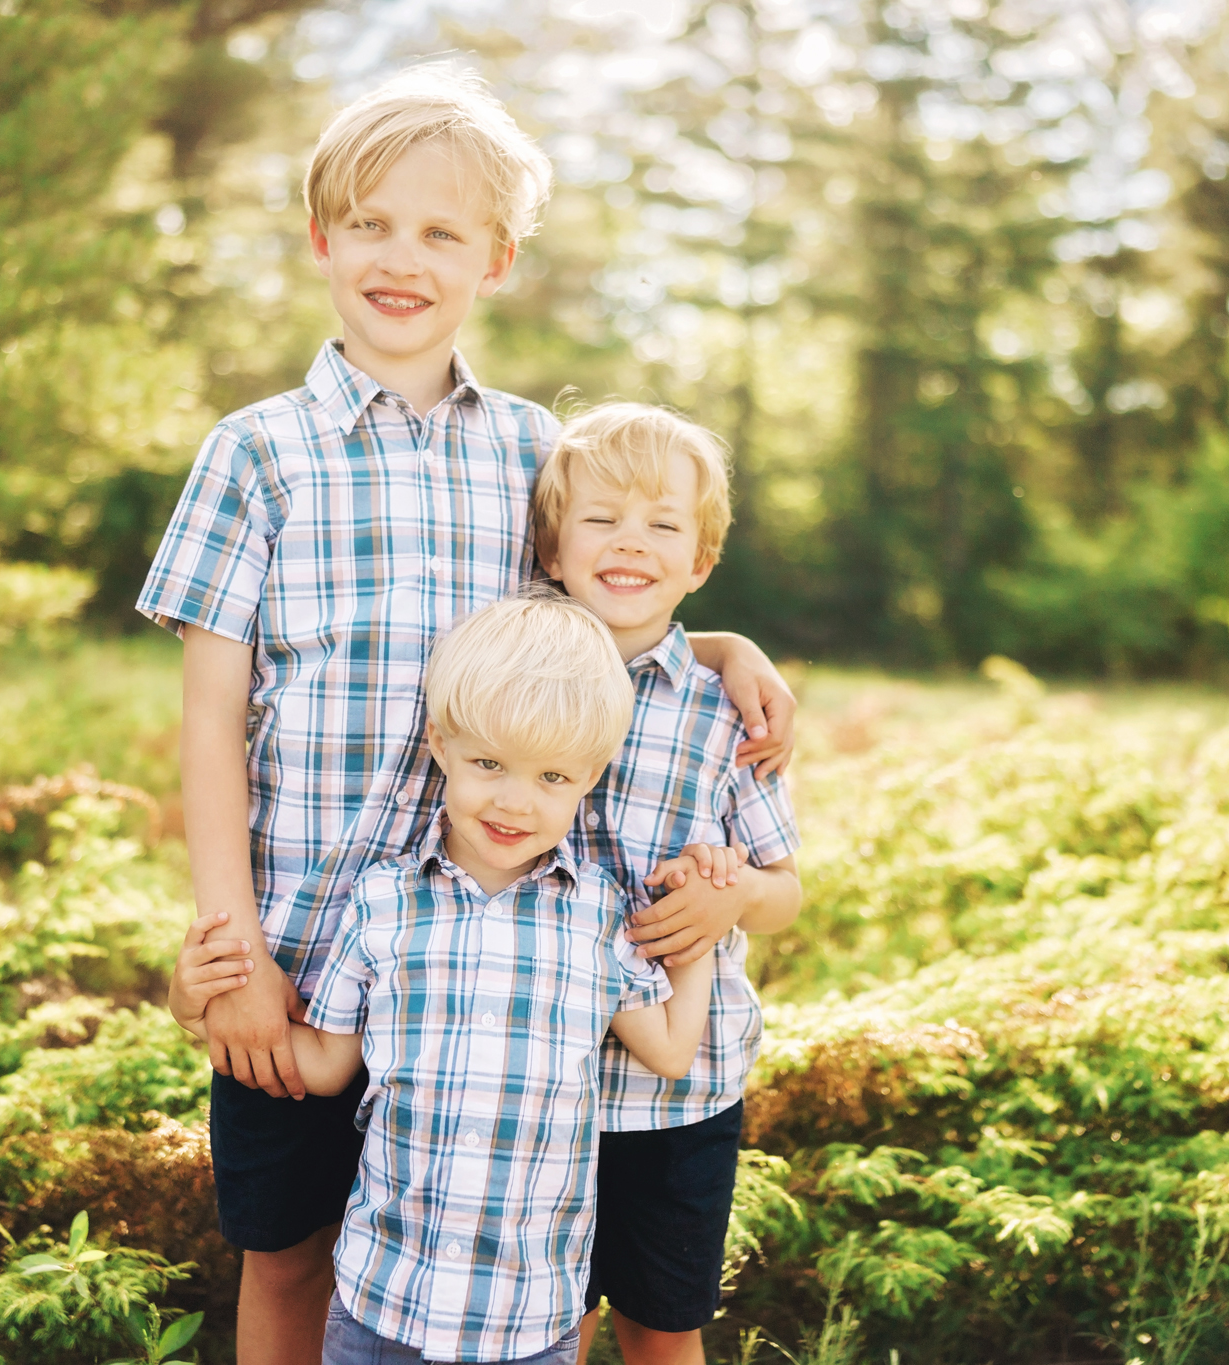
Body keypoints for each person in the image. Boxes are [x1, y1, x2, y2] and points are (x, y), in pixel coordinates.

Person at [136, 66, 796, 1365]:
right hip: (308, 948)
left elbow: (611, 618)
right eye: (372, 224)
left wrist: (721, 644)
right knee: (291, 1253)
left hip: (481, 964)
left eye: (442, 233)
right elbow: (211, 724)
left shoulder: (534, 453)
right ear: (323, 238)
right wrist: (234, 950)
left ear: (495, 259)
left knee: (489, 1261)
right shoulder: (257, 454)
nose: (402, 258)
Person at [173, 591, 719, 1365]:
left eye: (552, 776)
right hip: (382, 1304)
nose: (513, 799)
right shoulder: (384, 903)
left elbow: (666, 1049)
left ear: (589, 777)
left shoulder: (597, 913)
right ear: (440, 742)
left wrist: (697, 935)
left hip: (530, 1317)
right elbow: (325, 1065)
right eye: (488, 762)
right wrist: (195, 1010)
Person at [530, 405, 802, 1365]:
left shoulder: (729, 716)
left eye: (662, 524)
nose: (630, 542)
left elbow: (786, 889)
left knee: (663, 1321)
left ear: (699, 562)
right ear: (553, 550)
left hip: (679, 1098)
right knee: (547, 1317)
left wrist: (734, 901)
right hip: (536, 1072)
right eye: (601, 519)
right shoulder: (514, 681)